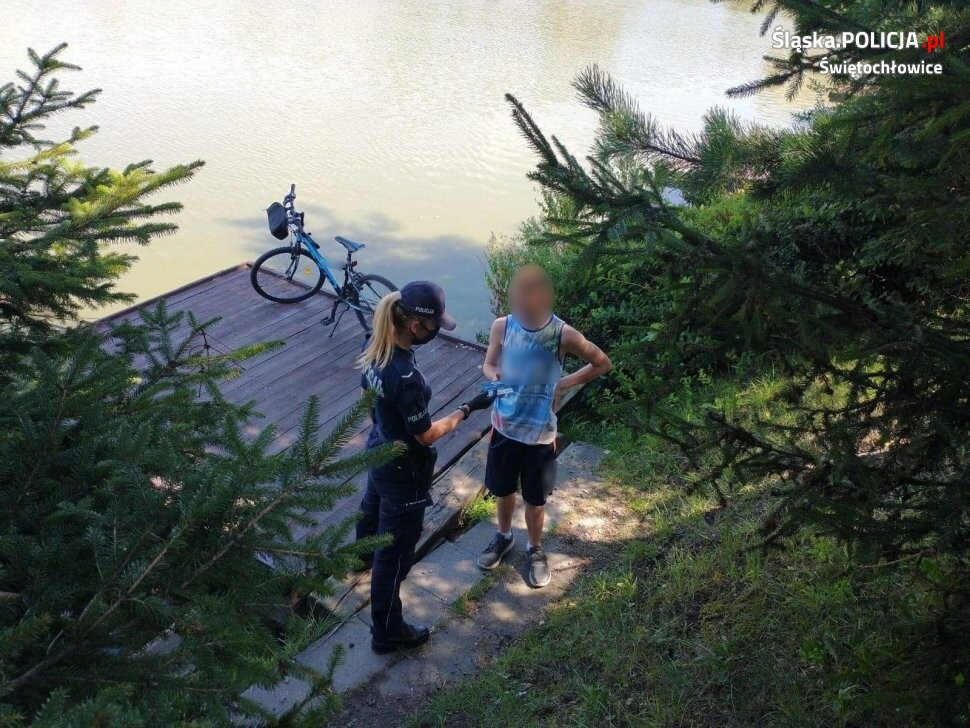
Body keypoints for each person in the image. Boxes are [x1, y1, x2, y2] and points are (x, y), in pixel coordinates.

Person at [356, 281, 493, 654]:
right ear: (416, 325)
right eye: (434, 326)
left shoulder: (374, 345)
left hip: (379, 449)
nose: (436, 331)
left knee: (371, 508)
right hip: (403, 471)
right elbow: (426, 435)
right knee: (394, 557)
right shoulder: (405, 378)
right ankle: (387, 632)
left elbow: (368, 401)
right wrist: (467, 409)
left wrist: (385, 428)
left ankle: (359, 556)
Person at [478, 265, 612, 587]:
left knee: (535, 499)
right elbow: (489, 364)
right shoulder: (502, 326)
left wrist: (562, 384)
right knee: (503, 490)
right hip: (502, 428)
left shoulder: (562, 334)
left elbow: (601, 362)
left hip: (539, 436)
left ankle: (534, 549)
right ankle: (504, 536)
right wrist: (495, 378)